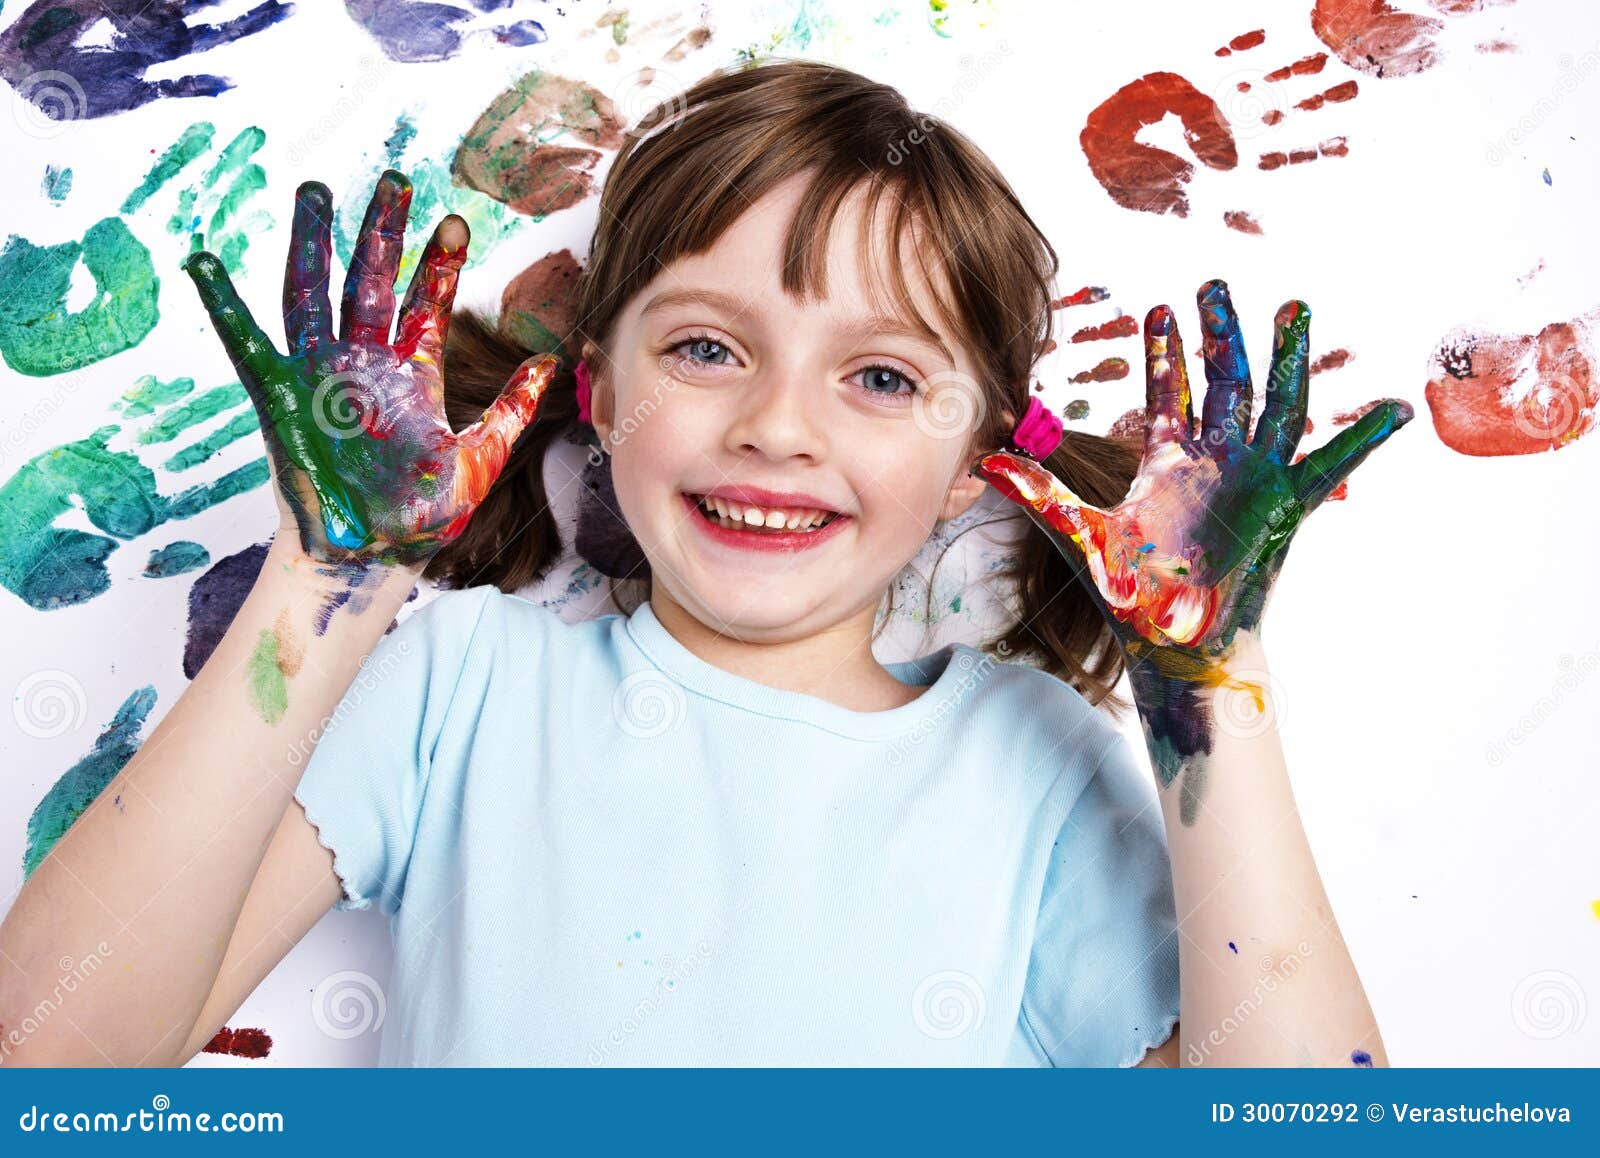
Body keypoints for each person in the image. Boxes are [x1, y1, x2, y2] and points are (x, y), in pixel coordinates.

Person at [0, 58, 1409, 1067]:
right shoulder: (457, 684)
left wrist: (1208, 683)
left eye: (875, 375)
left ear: (985, 455)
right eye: (707, 348)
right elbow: (51, 1062)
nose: (777, 426)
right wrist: (324, 584)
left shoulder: (1031, 764)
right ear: (601, 395)